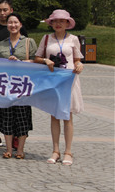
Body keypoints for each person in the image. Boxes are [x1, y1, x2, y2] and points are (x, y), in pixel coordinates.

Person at [34, 9, 84, 166]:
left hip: (68, 81)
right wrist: (45, 61)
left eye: (62, 21)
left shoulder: (73, 39)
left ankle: (68, 152)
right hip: (52, 81)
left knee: (67, 116)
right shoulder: (47, 38)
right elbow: (37, 57)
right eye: (55, 21)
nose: (58, 24)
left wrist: (79, 65)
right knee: (54, 115)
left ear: (67, 23)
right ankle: (55, 150)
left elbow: (77, 59)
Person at [0, 0, 28, 149]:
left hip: (17, 75)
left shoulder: (19, 27)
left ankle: (15, 136)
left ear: (11, 10)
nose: (2, 13)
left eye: (5, 10)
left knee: (16, 105)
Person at [0, 13, 36, 159]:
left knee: (22, 117)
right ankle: (8, 149)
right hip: (6, 85)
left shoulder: (28, 42)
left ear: (20, 24)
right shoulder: (2, 44)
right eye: (10, 22)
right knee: (6, 117)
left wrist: (20, 62)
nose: (12, 25)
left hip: (23, 85)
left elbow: (36, 62)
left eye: (15, 22)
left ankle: (20, 150)